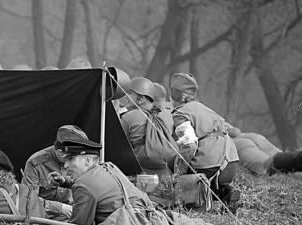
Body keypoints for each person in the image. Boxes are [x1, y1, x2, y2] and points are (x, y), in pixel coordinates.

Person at [52, 134, 217, 225]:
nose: (66, 166)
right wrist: (67, 183)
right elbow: (100, 187)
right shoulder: (109, 167)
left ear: (87, 160)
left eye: (71, 159)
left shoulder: (83, 185)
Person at [170, 72, 241, 214]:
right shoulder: (205, 109)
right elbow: (232, 131)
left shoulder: (181, 113)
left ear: (173, 94)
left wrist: (178, 173)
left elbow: (189, 144)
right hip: (231, 164)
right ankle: (227, 192)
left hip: (211, 166)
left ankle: (194, 203)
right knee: (204, 173)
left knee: (172, 162)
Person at [22, 125, 84, 220]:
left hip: (73, 214)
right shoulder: (36, 164)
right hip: (45, 218)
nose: (75, 162)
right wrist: (60, 208)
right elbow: (29, 201)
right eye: (71, 158)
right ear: (60, 152)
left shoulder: (82, 161)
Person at [120, 77, 176, 175]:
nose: (126, 96)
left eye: (129, 93)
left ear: (141, 99)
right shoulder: (167, 114)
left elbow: (119, 146)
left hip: (139, 173)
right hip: (165, 173)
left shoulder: (128, 118)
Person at [227, 124, 302, 175]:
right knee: (277, 162)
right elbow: (234, 131)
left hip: (240, 142)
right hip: (247, 138)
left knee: (268, 165)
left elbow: (233, 132)